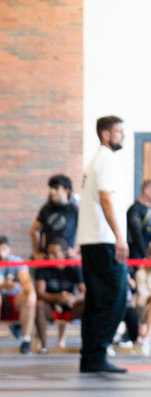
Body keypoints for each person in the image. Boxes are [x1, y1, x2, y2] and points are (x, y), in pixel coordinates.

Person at [78, 116, 129, 374]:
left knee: (97, 300)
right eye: (119, 132)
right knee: (115, 298)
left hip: (92, 241)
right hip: (104, 241)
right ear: (106, 134)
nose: (123, 136)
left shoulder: (96, 160)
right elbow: (106, 200)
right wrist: (119, 235)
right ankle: (96, 355)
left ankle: (90, 357)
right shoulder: (106, 159)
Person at [0, 235, 36, 354]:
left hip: (14, 298)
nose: (1, 253)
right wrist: (2, 286)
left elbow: (25, 281)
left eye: (4, 249)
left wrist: (31, 293)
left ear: (9, 249)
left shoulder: (16, 261)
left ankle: (26, 340)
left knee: (27, 297)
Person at [35, 239, 85, 352]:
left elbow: (83, 292)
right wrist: (59, 297)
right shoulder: (43, 267)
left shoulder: (74, 266)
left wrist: (72, 298)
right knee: (39, 305)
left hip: (71, 304)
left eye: (55, 253)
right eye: (49, 253)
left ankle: (87, 345)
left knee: (88, 304)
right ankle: (44, 346)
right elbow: (40, 293)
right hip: (51, 305)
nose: (51, 257)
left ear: (64, 254)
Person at [30, 175, 78, 258]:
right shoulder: (46, 209)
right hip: (48, 258)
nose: (52, 191)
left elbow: (86, 232)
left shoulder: (74, 209)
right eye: (51, 188)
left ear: (66, 191)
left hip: (67, 258)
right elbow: (34, 230)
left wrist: (77, 251)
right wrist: (36, 253)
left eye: (56, 188)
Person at [125, 180, 151, 268]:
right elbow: (137, 234)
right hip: (136, 256)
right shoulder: (135, 210)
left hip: (147, 255)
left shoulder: (148, 209)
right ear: (146, 190)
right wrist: (145, 255)